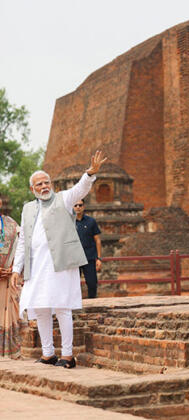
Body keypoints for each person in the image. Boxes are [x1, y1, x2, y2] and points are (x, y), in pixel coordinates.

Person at [10, 150, 107, 368]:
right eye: (39, 185)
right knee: (41, 307)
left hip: (60, 264)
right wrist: (17, 269)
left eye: (47, 183)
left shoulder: (64, 199)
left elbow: (80, 189)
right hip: (36, 267)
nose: (44, 187)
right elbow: (23, 241)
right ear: (32, 189)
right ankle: (47, 353)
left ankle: (67, 355)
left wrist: (90, 173)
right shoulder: (27, 209)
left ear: (51, 184)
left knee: (62, 307)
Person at [0, 198, 21, 358]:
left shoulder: (11, 224)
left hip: (8, 278)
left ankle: (9, 352)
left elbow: (20, 247)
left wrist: (13, 268)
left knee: (10, 313)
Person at [74, 199, 102, 298]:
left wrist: (98, 258)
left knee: (92, 283)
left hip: (89, 257)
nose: (78, 207)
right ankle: (75, 305)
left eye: (80, 205)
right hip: (74, 259)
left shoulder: (91, 221)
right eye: (75, 205)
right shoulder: (68, 222)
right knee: (73, 285)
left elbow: (97, 240)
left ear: (84, 207)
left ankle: (93, 304)